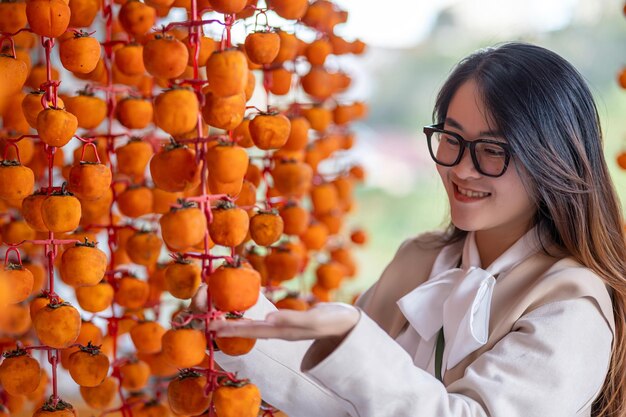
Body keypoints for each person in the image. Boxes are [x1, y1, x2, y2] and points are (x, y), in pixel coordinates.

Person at [194, 42, 626, 417]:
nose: (461, 168)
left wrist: (353, 340)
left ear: (552, 159)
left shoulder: (571, 305)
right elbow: (340, 403)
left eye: (492, 150)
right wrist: (232, 315)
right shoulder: (418, 260)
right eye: (451, 139)